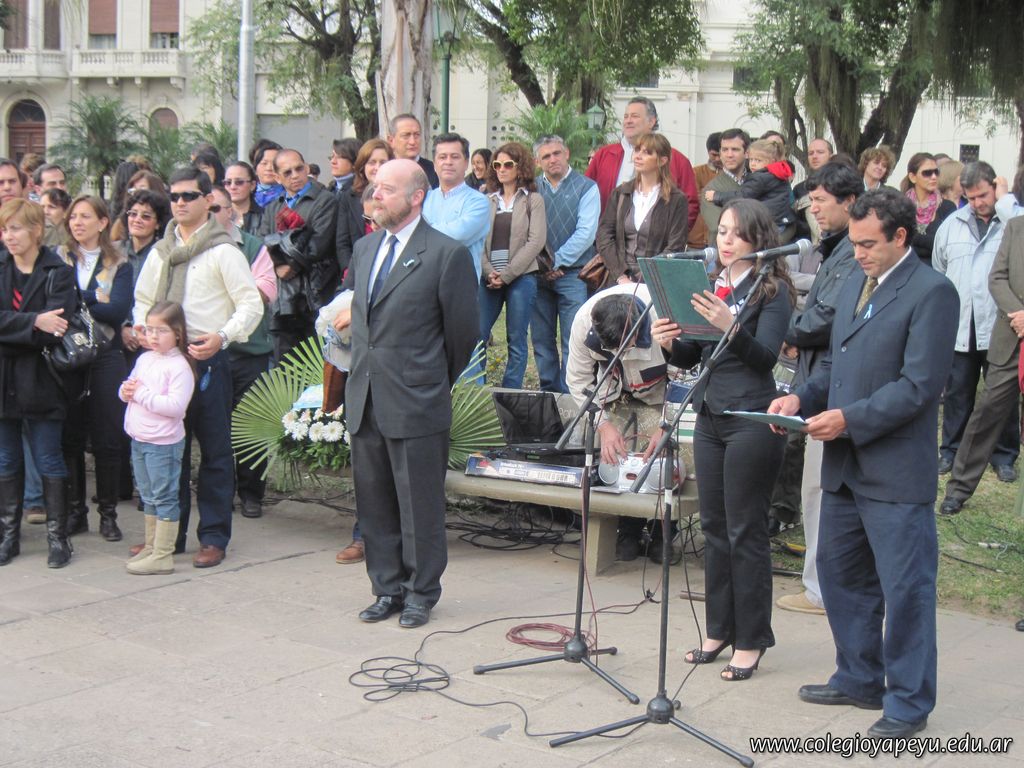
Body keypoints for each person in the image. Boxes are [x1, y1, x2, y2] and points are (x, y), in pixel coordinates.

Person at [769, 188, 958, 738]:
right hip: (845, 465)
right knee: (840, 575)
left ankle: (908, 704)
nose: (858, 254)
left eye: (869, 244)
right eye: (853, 243)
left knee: (905, 592)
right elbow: (838, 364)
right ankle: (858, 677)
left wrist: (848, 420)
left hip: (894, 470)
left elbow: (919, 386)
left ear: (901, 236)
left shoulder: (932, 292)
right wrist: (801, 397)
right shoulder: (856, 279)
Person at [654, 199, 794, 681]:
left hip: (752, 416)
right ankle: (718, 630)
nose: (726, 240)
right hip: (710, 414)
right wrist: (670, 342)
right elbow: (694, 354)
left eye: (736, 232)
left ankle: (751, 640)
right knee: (713, 527)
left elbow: (765, 357)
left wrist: (727, 325)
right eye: (721, 232)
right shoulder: (715, 285)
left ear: (758, 239)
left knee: (744, 530)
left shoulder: (771, 290)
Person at [341, 159, 478, 628]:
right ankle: (386, 588)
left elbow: (462, 335)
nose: (375, 196)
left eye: (387, 189)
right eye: (374, 187)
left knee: (419, 505)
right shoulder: (365, 248)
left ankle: (420, 592)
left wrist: (428, 380)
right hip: (366, 397)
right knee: (375, 501)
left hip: (417, 400)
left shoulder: (445, 254)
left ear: (416, 197)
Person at [132, 165, 263, 568]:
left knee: (215, 453)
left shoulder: (223, 250)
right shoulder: (161, 251)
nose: (180, 203)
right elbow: (143, 300)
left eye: (189, 195)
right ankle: (167, 537)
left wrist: (223, 337)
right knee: (166, 449)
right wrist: (142, 328)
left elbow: (250, 304)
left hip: (206, 358)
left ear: (208, 200)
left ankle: (213, 537)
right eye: (174, 196)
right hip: (164, 360)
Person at [775, 162, 862, 616]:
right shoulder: (836, 248)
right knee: (816, 487)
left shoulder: (850, 253)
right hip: (819, 377)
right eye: (812, 202)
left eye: (823, 202)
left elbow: (827, 317)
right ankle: (823, 586)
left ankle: (821, 591)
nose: (815, 210)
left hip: (831, 384)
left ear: (850, 202)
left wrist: (786, 327)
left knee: (820, 489)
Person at [565, 283, 669, 561]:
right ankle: (628, 529)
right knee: (619, 457)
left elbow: (685, 374)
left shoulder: (664, 314)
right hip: (615, 392)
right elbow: (578, 380)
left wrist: (666, 424)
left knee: (661, 461)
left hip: (662, 389)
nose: (622, 352)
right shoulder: (582, 323)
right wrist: (604, 425)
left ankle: (663, 531)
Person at [0, 199, 76, 568]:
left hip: (43, 379)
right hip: (3, 379)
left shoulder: (57, 272)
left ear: (35, 230)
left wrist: (14, 328)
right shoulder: (1, 266)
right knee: (6, 457)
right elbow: (41, 327)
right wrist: (33, 322)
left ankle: (58, 539)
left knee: (48, 456)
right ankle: (8, 536)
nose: (8, 236)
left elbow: (55, 330)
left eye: (14, 228)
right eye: (4, 229)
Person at [933, 162, 1019, 481]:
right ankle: (950, 450)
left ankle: (1004, 455)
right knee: (958, 391)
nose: (978, 203)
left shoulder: (1012, 221)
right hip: (962, 322)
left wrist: (1006, 201)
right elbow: (939, 269)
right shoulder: (951, 225)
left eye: (983, 195)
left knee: (1002, 394)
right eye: (970, 198)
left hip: (1000, 323)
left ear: (995, 187)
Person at [59, 196, 133, 543]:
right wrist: (93, 298)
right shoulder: (58, 257)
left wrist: (79, 298)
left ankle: (108, 514)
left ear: (103, 222)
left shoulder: (119, 261)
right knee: (70, 435)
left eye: (85, 216)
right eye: (73, 216)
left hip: (106, 353)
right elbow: (56, 304)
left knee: (107, 437)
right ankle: (76, 512)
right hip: (68, 353)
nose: (77, 222)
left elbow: (117, 310)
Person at [940, 211, 1024, 516]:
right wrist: (1019, 314)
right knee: (986, 413)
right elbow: (997, 277)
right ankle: (958, 489)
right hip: (1011, 337)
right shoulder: (1015, 227)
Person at [209, 184, 276, 519]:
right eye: (207, 208)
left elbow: (264, 291)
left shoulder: (252, 246)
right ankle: (219, 494)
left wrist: (226, 295)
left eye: (217, 208)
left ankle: (251, 494)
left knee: (250, 427)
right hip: (209, 352)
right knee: (214, 428)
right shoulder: (192, 248)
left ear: (231, 212)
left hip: (249, 351)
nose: (211, 215)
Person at [119, 301, 195, 575]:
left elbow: (175, 407)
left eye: (161, 331)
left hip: (163, 443)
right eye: (149, 329)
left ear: (178, 333)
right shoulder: (145, 359)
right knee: (148, 495)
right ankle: (151, 546)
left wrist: (140, 394)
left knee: (164, 497)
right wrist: (125, 391)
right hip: (140, 438)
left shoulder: (180, 366)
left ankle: (163, 554)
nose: (153, 336)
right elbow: (130, 384)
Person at [531, 134, 599, 393]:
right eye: (546, 156)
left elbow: (586, 234)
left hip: (574, 275)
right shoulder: (532, 189)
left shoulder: (587, 187)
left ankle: (571, 396)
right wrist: (543, 266)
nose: (553, 159)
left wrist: (554, 261)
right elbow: (525, 232)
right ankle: (549, 393)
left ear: (567, 153)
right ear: (537, 161)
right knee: (541, 339)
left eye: (557, 153)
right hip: (537, 275)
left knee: (574, 338)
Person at [259, 149, 339, 361]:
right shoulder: (273, 207)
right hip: (282, 301)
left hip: (314, 295)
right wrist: (277, 266)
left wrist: (289, 263)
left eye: (299, 169)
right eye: (287, 172)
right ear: (277, 178)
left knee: (316, 364)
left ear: (306, 168)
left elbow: (317, 245)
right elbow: (262, 244)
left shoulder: (325, 200)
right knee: (285, 368)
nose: (295, 175)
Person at [479, 142, 547, 388]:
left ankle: (510, 393)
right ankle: (476, 389)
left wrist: (507, 274)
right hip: (488, 278)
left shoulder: (533, 200)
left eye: (508, 164)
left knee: (516, 338)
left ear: (520, 167)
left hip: (522, 277)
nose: (502, 169)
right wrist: (489, 271)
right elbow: (477, 240)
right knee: (478, 334)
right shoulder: (486, 200)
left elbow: (536, 241)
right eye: (497, 165)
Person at [586, 97, 699, 230]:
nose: (628, 121)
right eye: (626, 116)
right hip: (606, 237)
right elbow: (586, 195)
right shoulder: (603, 155)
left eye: (635, 116)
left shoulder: (676, 160)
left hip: (657, 240)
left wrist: (668, 235)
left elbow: (690, 206)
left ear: (651, 121)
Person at [595, 133, 688, 286]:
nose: (638, 156)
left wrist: (643, 280)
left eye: (647, 152)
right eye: (637, 150)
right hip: (618, 280)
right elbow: (604, 236)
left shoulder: (676, 200)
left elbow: (675, 247)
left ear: (662, 160)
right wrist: (621, 276)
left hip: (656, 282)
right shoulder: (621, 193)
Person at [422, 133, 491, 280]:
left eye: (455, 157)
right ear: (434, 164)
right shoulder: (424, 199)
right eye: (442, 157)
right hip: (424, 281)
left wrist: (421, 230)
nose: (448, 162)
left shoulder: (479, 202)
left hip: (460, 283)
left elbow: (456, 237)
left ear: (466, 163)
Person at [705, 138, 796, 238]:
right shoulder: (779, 174)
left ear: (772, 161)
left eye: (758, 160)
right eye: (751, 159)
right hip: (781, 221)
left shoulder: (760, 177)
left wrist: (717, 196)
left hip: (765, 224)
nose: (753, 163)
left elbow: (743, 196)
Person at [335, 139, 395, 282]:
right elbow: (342, 242)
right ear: (362, 166)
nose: (377, 167)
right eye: (372, 162)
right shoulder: (348, 197)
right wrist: (350, 272)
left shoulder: (398, 196)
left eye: (383, 162)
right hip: (357, 269)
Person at [901, 152, 956, 266]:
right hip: (906, 268)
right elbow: (898, 243)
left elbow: (946, 246)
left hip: (936, 270)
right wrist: (931, 241)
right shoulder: (901, 206)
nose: (934, 177)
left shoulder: (947, 207)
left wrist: (913, 237)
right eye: (927, 173)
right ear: (913, 177)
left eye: (936, 172)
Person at [700, 129, 749, 242]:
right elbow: (719, 228)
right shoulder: (711, 190)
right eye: (725, 150)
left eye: (735, 149)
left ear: (746, 153)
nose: (729, 155)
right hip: (724, 250)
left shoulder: (759, 181)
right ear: (720, 154)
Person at [687, 132, 722, 249]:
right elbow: (694, 198)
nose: (717, 159)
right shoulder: (696, 172)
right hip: (696, 239)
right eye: (714, 155)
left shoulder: (730, 175)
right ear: (708, 152)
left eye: (720, 155)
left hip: (720, 238)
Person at [387, 114, 439, 188]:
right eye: (406, 135)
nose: (412, 142)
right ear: (391, 141)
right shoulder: (383, 168)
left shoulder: (434, 170)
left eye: (417, 135)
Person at [224, 161, 264, 235]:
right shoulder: (216, 215)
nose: (232, 187)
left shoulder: (264, 217)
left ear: (252, 185)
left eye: (239, 182)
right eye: (228, 182)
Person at [252, 141, 284, 208]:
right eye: (264, 163)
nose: (269, 168)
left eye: (274, 163)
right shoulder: (247, 195)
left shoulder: (291, 195)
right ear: (255, 169)